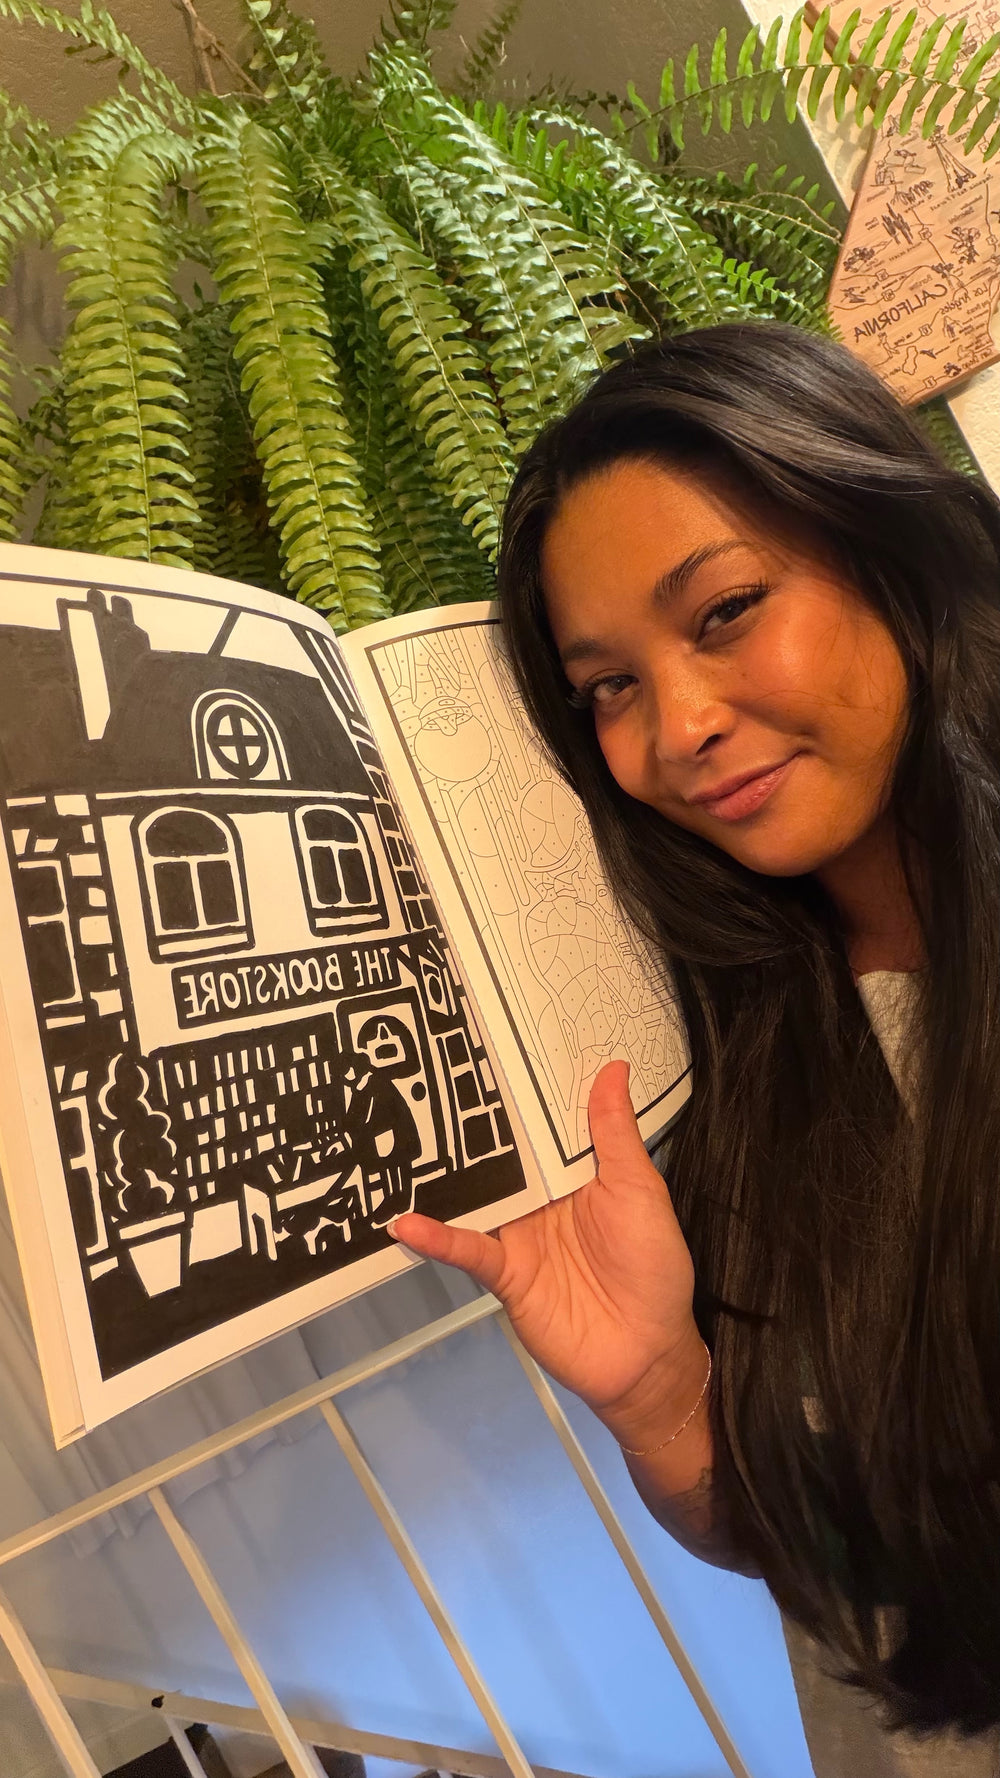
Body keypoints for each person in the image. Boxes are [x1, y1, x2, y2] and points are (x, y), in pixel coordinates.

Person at [388, 323, 1000, 1776]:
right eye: (608, 685)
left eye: (724, 610)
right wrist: (659, 1396)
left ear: (892, 553)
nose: (679, 727)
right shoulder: (738, 1055)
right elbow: (882, 1567)